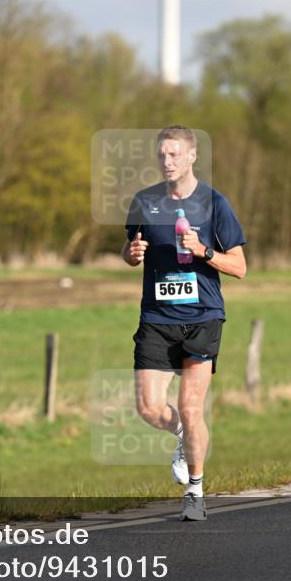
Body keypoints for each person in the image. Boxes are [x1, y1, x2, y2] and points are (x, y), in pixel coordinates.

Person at [121, 125, 247, 521]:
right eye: (162, 154)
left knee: (191, 407)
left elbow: (240, 267)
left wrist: (204, 250)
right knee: (148, 407)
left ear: (192, 157)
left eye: (175, 154)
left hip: (202, 318)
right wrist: (132, 253)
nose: (167, 161)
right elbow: (128, 250)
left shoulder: (215, 204)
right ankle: (182, 437)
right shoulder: (144, 202)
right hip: (157, 318)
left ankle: (195, 491)